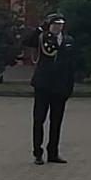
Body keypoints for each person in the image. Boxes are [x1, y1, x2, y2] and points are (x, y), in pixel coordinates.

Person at [23, 13, 78, 165]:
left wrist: (69, 87)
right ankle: (38, 153)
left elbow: (71, 65)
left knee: (56, 121)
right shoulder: (42, 38)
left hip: (60, 87)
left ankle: (53, 152)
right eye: (54, 24)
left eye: (60, 25)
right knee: (39, 119)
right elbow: (27, 41)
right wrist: (40, 28)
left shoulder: (68, 41)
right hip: (43, 86)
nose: (57, 27)